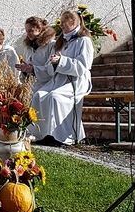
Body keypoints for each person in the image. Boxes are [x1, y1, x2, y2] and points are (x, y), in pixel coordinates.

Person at [30, 9, 94, 146]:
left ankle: (59, 136)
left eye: (64, 22)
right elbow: (49, 67)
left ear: (73, 22)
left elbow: (83, 66)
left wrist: (62, 61)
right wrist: (52, 64)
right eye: (61, 22)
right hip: (59, 79)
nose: (61, 25)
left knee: (55, 97)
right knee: (38, 95)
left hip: (76, 81)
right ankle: (41, 134)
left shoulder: (84, 41)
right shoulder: (62, 42)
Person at [15, 16, 56, 87]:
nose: (28, 34)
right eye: (27, 31)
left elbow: (51, 70)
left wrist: (33, 70)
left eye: (31, 31)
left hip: (46, 87)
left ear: (39, 29)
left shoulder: (51, 45)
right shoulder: (28, 47)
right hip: (30, 87)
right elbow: (26, 70)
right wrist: (24, 70)